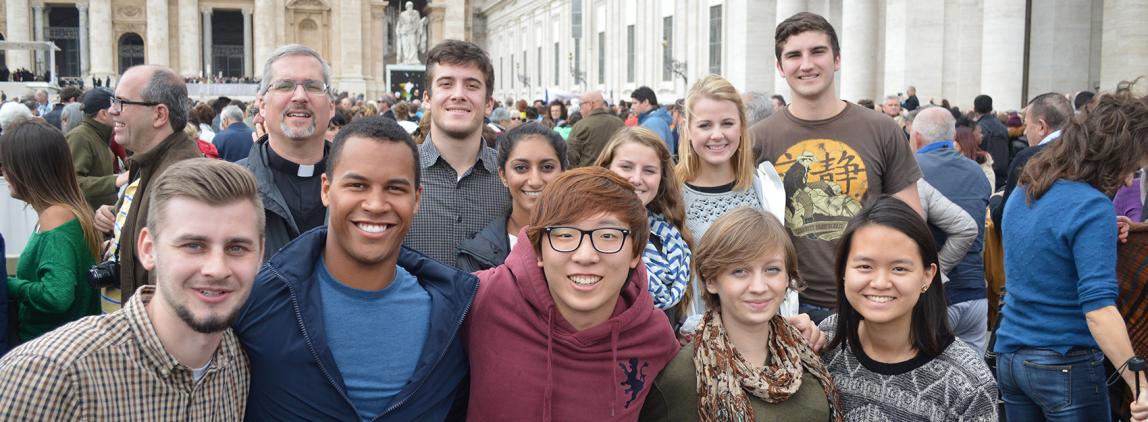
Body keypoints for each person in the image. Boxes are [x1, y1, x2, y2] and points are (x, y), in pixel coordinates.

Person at [235, 117, 474, 420]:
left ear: (416, 199)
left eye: (395, 188)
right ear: (326, 189)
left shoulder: (456, 315)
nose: (375, 204)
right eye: (357, 185)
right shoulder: (258, 302)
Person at [0, 159, 263, 420]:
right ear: (148, 249)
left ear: (260, 254)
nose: (216, 269)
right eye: (193, 245)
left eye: (236, 248)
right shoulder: (49, 375)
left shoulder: (243, 362)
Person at [464, 167, 680, 420]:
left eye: (608, 235)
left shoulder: (653, 335)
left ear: (635, 253)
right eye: (565, 234)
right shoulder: (480, 299)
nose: (585, 256)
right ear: (538, 251)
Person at [752, 12, 923, 323]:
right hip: (790, 304)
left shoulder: (882, 129)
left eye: (817, 51)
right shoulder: (758, 139)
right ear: (780, 67)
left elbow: (910, 221)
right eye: (794, 55)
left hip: (871, 299)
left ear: (837, 59)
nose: (806, 64)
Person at [995, 86, 1148, 421]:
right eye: (1130, 168)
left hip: (1010, 354)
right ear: (1112, 156)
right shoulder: (1091, 207)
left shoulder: (1028, 188)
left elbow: (1046, 255)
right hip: (1064, 361)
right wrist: (1140, 384)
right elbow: (1099, 311)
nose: (1126, 182)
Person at [641, 208, 843, 421]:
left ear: (787, 277)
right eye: (740, 271)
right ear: (710, 280)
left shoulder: (808, 353)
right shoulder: (684, 376)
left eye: (772, 269)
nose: (758, 286)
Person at [820, 196, 998, 421]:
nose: (880, 282)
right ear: (844, 271)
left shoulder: (968, 383)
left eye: (899, 268)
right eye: (865, 266)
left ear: (927, 276)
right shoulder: (826, 341)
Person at [677, 74, 788, 331]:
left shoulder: (766, 188)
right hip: (697, 340)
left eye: (727, 123)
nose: (717, 135)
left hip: (762, 334)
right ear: (689, 130)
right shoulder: (671, 196)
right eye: (705, 125)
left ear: (741, 127)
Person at [94, 65, 203, 309]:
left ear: (159, 115)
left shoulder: (178, 177)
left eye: (122, 102)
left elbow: (169, 278)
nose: (112, 111)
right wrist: (116, 224)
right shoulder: (146, 161)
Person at [404, 40, 511, 266]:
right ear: (427, 99)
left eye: (472, 86)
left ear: (489, 103)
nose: (458, 94)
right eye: (446, 84)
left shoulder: (511, 181)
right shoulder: (398, 171)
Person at [2, 122, 102, 343]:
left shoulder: (55, 219)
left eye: (7, 164)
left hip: (47, 349)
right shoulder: (70, 211)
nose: (4, 171)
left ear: (26, 170)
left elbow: (57, 296)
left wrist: (8, 284)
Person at [241, 44, 336, 259]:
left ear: (331, 107)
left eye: (313, 86)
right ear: (262, 106)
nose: (300, 96)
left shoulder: (362, 188)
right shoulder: (227, 188)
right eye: (285, 85)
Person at [910, 107, 991, 352]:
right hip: (975, 293)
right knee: (976, 383)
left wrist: (939, 270)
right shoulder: (977, 171)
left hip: (933, 297)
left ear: (915, 137)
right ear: (953, 136)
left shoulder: (909, 171)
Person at [597, 127, 693, 311]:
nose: (636, 179)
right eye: (626, 167)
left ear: (661, 179)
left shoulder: (669, 235)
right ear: (606, 168)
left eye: (649, 170)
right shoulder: (587, 234)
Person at [457, 123, 568, 272]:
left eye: (547, 167)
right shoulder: (477, 255)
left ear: (563, 173)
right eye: (521, 168)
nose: (535, 181)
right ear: (503, 175)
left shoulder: (589, 239)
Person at [67, 87, 125, 211]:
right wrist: (116, 181)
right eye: (115, 109)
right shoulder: (80, 137)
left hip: (100, 218)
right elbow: (73, 184)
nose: (119, 113)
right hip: (90, 220)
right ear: (103, 114)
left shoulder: (98, 135)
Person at [568, 90, 625, 167]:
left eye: (580, 105)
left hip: (588, 176)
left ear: (590, 104)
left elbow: (570, 158)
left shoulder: (579, 126)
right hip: (614, 175)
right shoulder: (620, 123)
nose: (580, 109)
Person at [952, 123, 995, 191]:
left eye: (955, 141)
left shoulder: (982, 158)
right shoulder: (951, 159)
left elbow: (989, 188)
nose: (982, 135)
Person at [631, 86, 675, 152]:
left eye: (635, 103)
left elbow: (656, 151)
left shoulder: (654, 122)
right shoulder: (652, 120)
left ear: (646, 102)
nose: (632, 107)